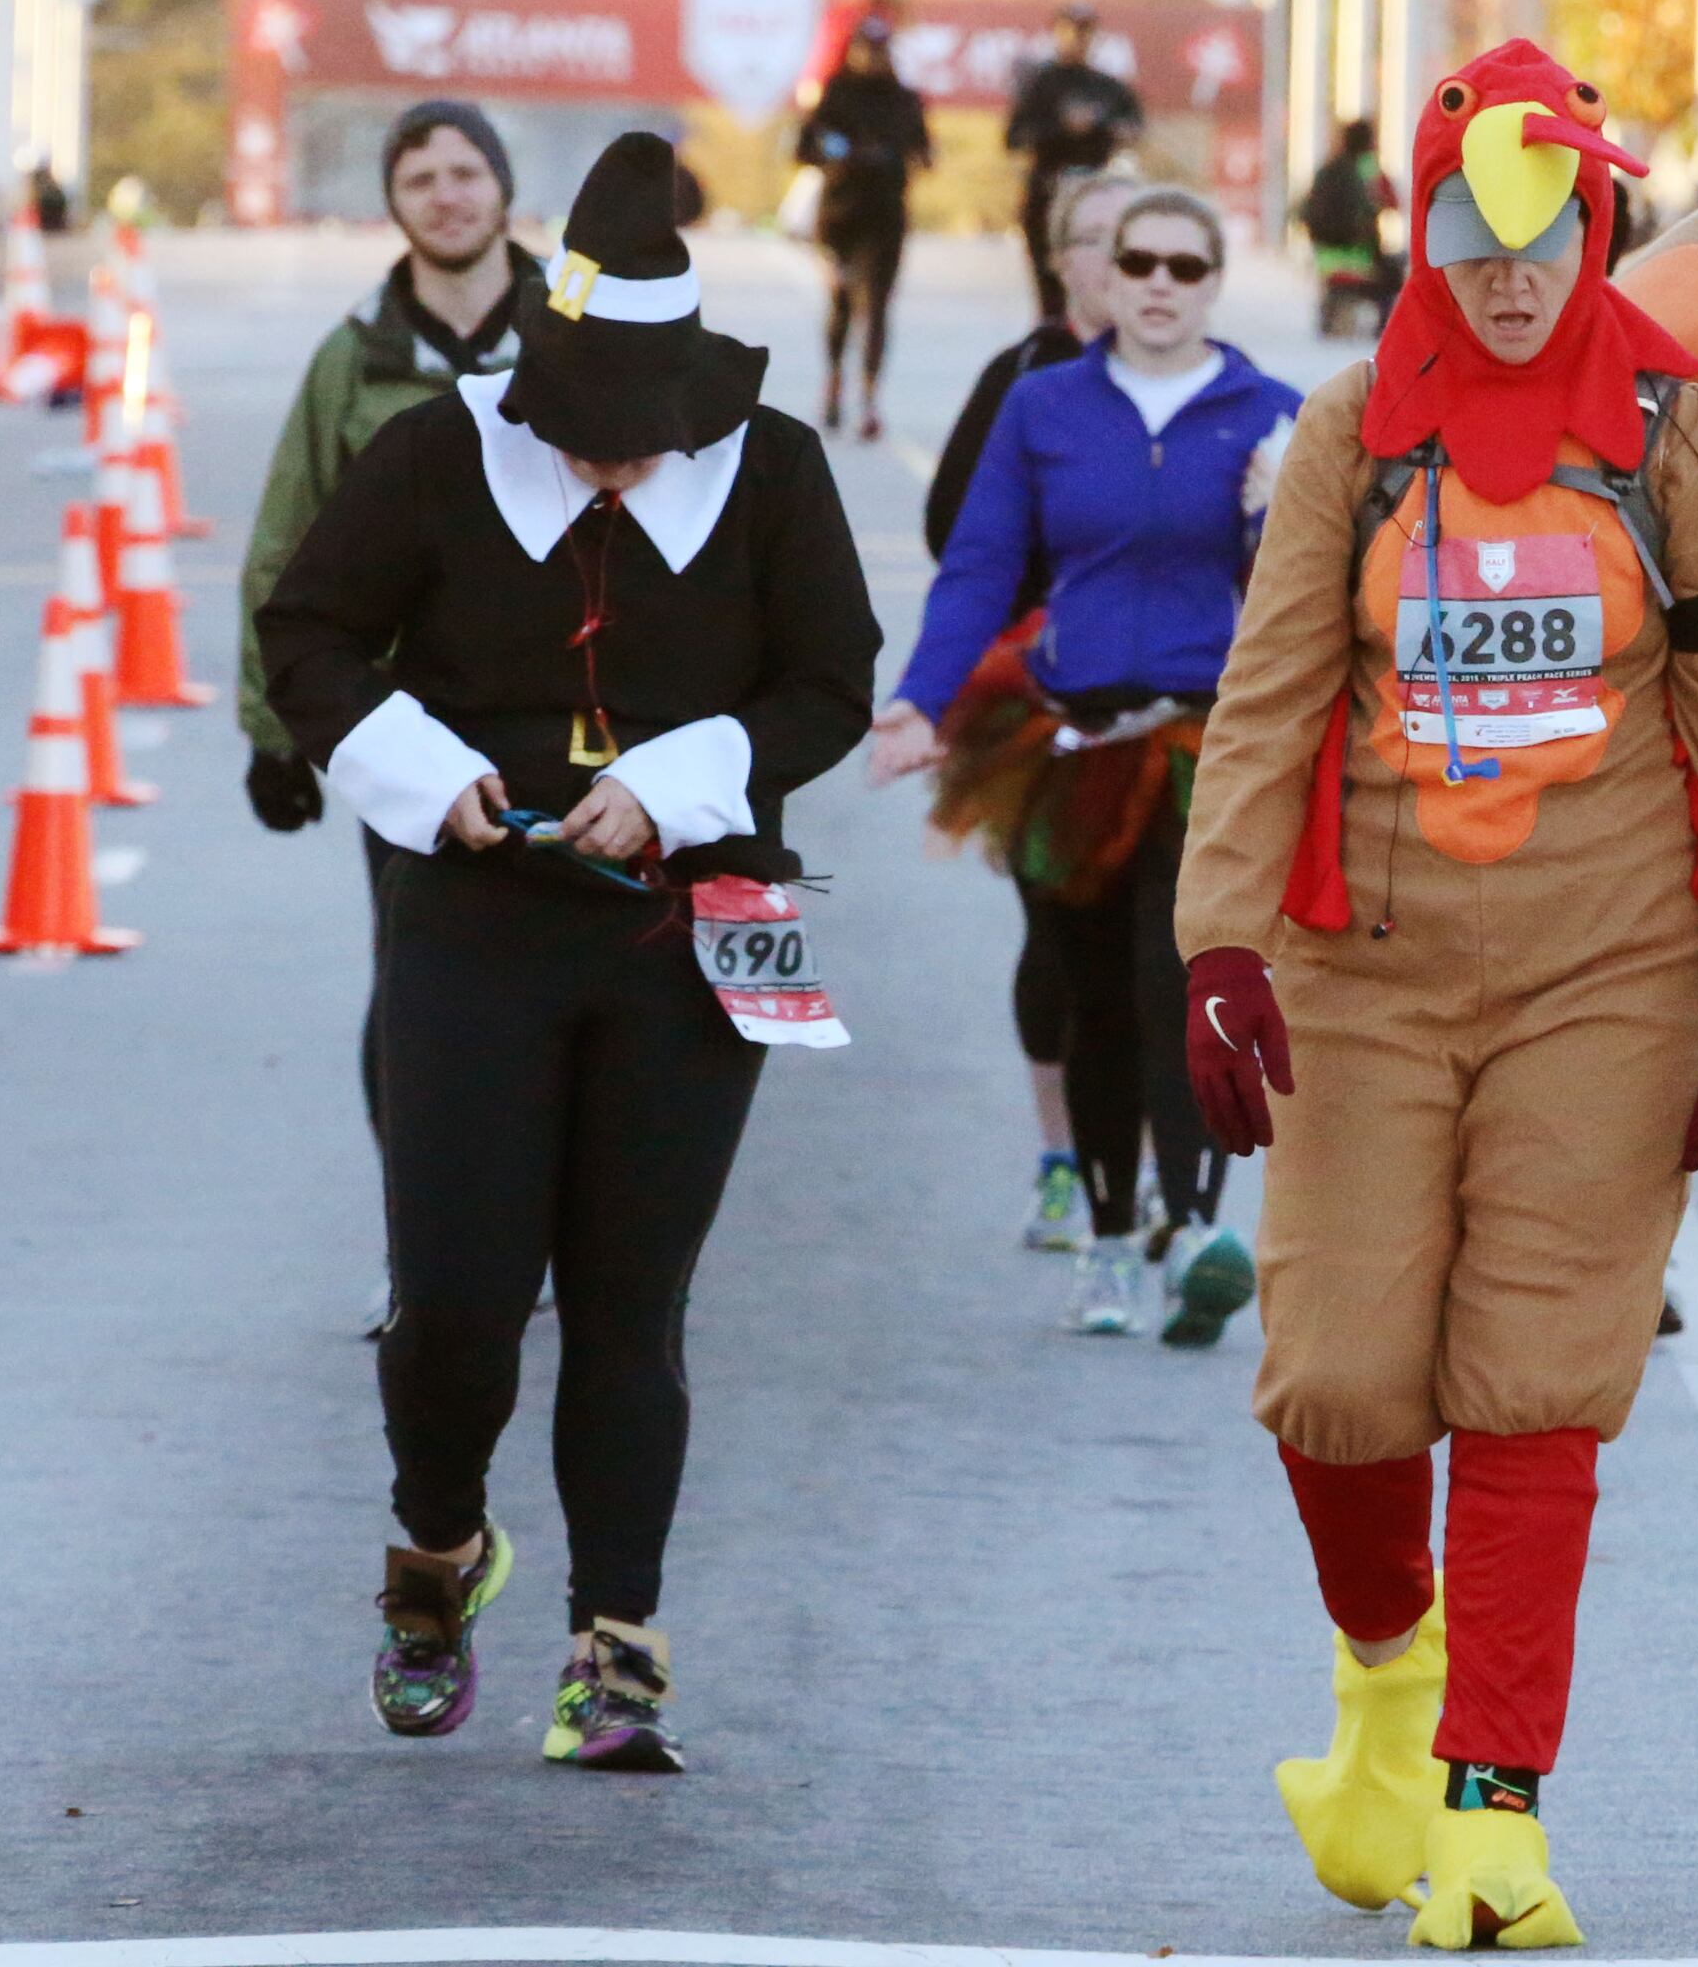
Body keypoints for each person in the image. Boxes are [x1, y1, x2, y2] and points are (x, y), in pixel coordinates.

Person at [1175, 43, 1698, 1949]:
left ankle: (1496, 1812)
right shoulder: (1353, 433)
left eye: (1543, 232)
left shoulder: (1676, 440)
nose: (1508, 273)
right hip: (1369, 969)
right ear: (1422, 239)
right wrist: (1224, 943)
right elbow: (1265, 707)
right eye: (1470, 237)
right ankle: (1389, 1694)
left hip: (1610, 970)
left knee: (1535, 1387)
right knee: (1336, 1379)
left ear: (1595, 228)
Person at [259, 132, 880, 1776]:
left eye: (644, 448)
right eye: (591, 446)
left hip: (686, 933)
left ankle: (617, 1645)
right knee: (458, 1302)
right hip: (472, 920)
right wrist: (417, 772)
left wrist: (676, 787)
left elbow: (831, 685)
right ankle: (439, 1547)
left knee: (629, 1308)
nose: (615, 474)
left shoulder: (777, 472)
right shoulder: (429, 454)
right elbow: (307, 633)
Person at [871, 187, 1299, 1344]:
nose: (1160, 283)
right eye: (1139, 262)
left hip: (1214, 744)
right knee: (1095, 997)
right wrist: (918, 701)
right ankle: (1111, 1240)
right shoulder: (1044, 408)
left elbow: (1336, 589)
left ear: (1216, 281)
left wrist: (1277, 519)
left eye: (1186, 264)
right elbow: (977, 565)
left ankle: (1196, 1227)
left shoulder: (1275, 414)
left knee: (1189, 988)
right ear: (1100, 278)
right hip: (1067, 739)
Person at [238, 101, 544, 1338]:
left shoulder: (574, 339)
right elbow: (286, 548)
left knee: (566, 999)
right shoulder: (352, 361)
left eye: (468, 172)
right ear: (395, 203)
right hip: (404, 737)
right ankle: (422, 1249)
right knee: (419, 999)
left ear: (505, 192)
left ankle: (556, 1238)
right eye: (421, 176)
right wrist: (279, 732)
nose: (448, 194)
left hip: (567, 720)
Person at [909, 165, 1140, 1256]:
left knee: (1161, 946)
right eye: (1093, 240)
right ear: (1059, 262)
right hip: (1044, 702)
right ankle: (1065, 1158)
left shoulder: (1195, 381)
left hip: (1175, 700)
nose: (1117, 260)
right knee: (1061, 937)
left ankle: (1144, 1174)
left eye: (1135, 238)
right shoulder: (1026, 378)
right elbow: (949, 530)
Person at [793, 17, 933, 441]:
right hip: (840, 215)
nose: (872, 58)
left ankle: (870, 398)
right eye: (865, 49)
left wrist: (895, 155)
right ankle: (835, 379)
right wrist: (841, 153)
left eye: (880, 49)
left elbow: (925, 154)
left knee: (876, 306)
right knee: (840, 301)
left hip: (886, 215)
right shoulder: (835, 94)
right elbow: (804, 149)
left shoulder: (905, 99)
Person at [1005, 2, 1144, 322]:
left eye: (1085, 33)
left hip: (1095, 196)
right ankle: (1053, 353)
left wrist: (1110, 129)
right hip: (1049, 192)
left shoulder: (1108, 87)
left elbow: (1136, 127)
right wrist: (1060, 128)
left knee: (1094, 287)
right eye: (1071, 31)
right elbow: (1014, 138)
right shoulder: (1040, 85)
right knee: (1050, 290)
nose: (1078, 40)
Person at [1300, 117, 1401, 337]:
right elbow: (1394, 203)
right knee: (1396, 273)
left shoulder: (1326, 169)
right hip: (1361, 257)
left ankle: (1330, 317)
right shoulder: (1368, 169)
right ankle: (1383, 330)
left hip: (1324, 257)